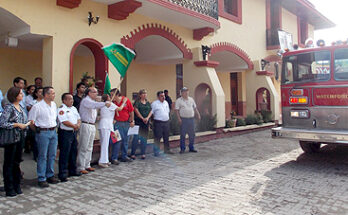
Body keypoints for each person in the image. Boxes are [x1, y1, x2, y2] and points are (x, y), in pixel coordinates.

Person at [0, 87, 32, 197]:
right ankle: (9, 187)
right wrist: (17, 124)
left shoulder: (21, 107)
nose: (22, 94)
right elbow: (3, 123)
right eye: (20, 93)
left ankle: (16, 184)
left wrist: (27, 124)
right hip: (11, 138)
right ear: (14, 95)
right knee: (9, 163)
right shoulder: (9, 108)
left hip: (20, 138)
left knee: (17, 162)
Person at [28, 87, 59, 188]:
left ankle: (50, 174)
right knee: (42, 156)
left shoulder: (54, 105)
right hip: (43, 132)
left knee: (52, 155)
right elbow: (31, 122)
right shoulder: (37, 106)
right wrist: (37, 131)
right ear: (46, 95)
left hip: (53, 131)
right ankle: (41, 177)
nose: (54, 95)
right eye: (52, 93)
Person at [77, 87, 110, 174]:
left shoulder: (94, 102)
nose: (96, 94)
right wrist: (104, 103)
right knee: (83, 146)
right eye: (94, 92)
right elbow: (94, 105)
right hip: (85, 124)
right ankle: (81, 166)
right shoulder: (86, 100)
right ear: (89, 93)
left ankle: (87, 164)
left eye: (97, 92)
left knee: (89, 147)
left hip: (91, 124)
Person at [57, 93, 82, 182]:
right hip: (65, 133)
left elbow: (79, 118)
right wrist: (74, 126)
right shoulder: (61, 109)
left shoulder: (73, 108)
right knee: (65, 153)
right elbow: (64, 121)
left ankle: (72, 170)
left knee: (73, 151)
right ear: (64, 100)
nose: (72, 101)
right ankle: (63, 173)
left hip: (73, 132)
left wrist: (78, 125)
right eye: (70, 99)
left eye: (72, 99)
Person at [98, 94, 127, 168]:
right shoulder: (110, 103)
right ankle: (103, 161)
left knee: (105, 143)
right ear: (108, 98)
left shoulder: (105, 104)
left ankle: (105, 160)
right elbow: (120, 109)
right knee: (105, 143)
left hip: (104, 124)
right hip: (106, 125)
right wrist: (124, 102)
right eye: (109, 96)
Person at [110, 88, 134, 164]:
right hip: (117, 124)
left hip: (126, 123)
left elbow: (131, 111)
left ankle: (124, 156)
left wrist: (132, 120)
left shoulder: (126, 100)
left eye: (112, 94)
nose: (111, 96)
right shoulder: (113, 102)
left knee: (125, 140)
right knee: (116, 140)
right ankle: (114, 158)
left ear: (117, 94)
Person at [175, 87, 201, 154]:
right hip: (183, 120)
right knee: (183, 134)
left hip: (191, 119)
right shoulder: (179, 100)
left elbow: (195, 108)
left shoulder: (191, 99)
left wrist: (198, 114)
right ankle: (182, 148)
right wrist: (179, 119)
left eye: (187, 91)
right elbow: (177, 111)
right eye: (184, 91)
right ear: (182, 93)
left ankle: (191, 147)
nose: (186, 93)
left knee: (192, 134)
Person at [130, 89, 152, 160]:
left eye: (145, 93)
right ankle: (133, 153)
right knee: (136, 138)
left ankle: (143, 153)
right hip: (139, 122)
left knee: (144, 138)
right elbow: (136, 110)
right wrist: (142, 118)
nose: (144, 95)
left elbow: (151, 110)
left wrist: (147, 118)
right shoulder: (137, 103)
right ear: (140, 95)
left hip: (146, 122)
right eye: (143, 94)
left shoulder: (148, 102)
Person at [151, 91, 173, 156]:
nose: (163, 97)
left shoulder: (166, 103)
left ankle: (167, 150)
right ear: (158, 97)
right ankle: (156, 151)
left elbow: (168, 111)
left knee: (166, 137)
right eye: (161, 96)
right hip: (158, 123)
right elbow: (151, 113)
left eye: (164, 96)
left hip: (166, 122)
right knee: (157, 137)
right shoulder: (154, 104)